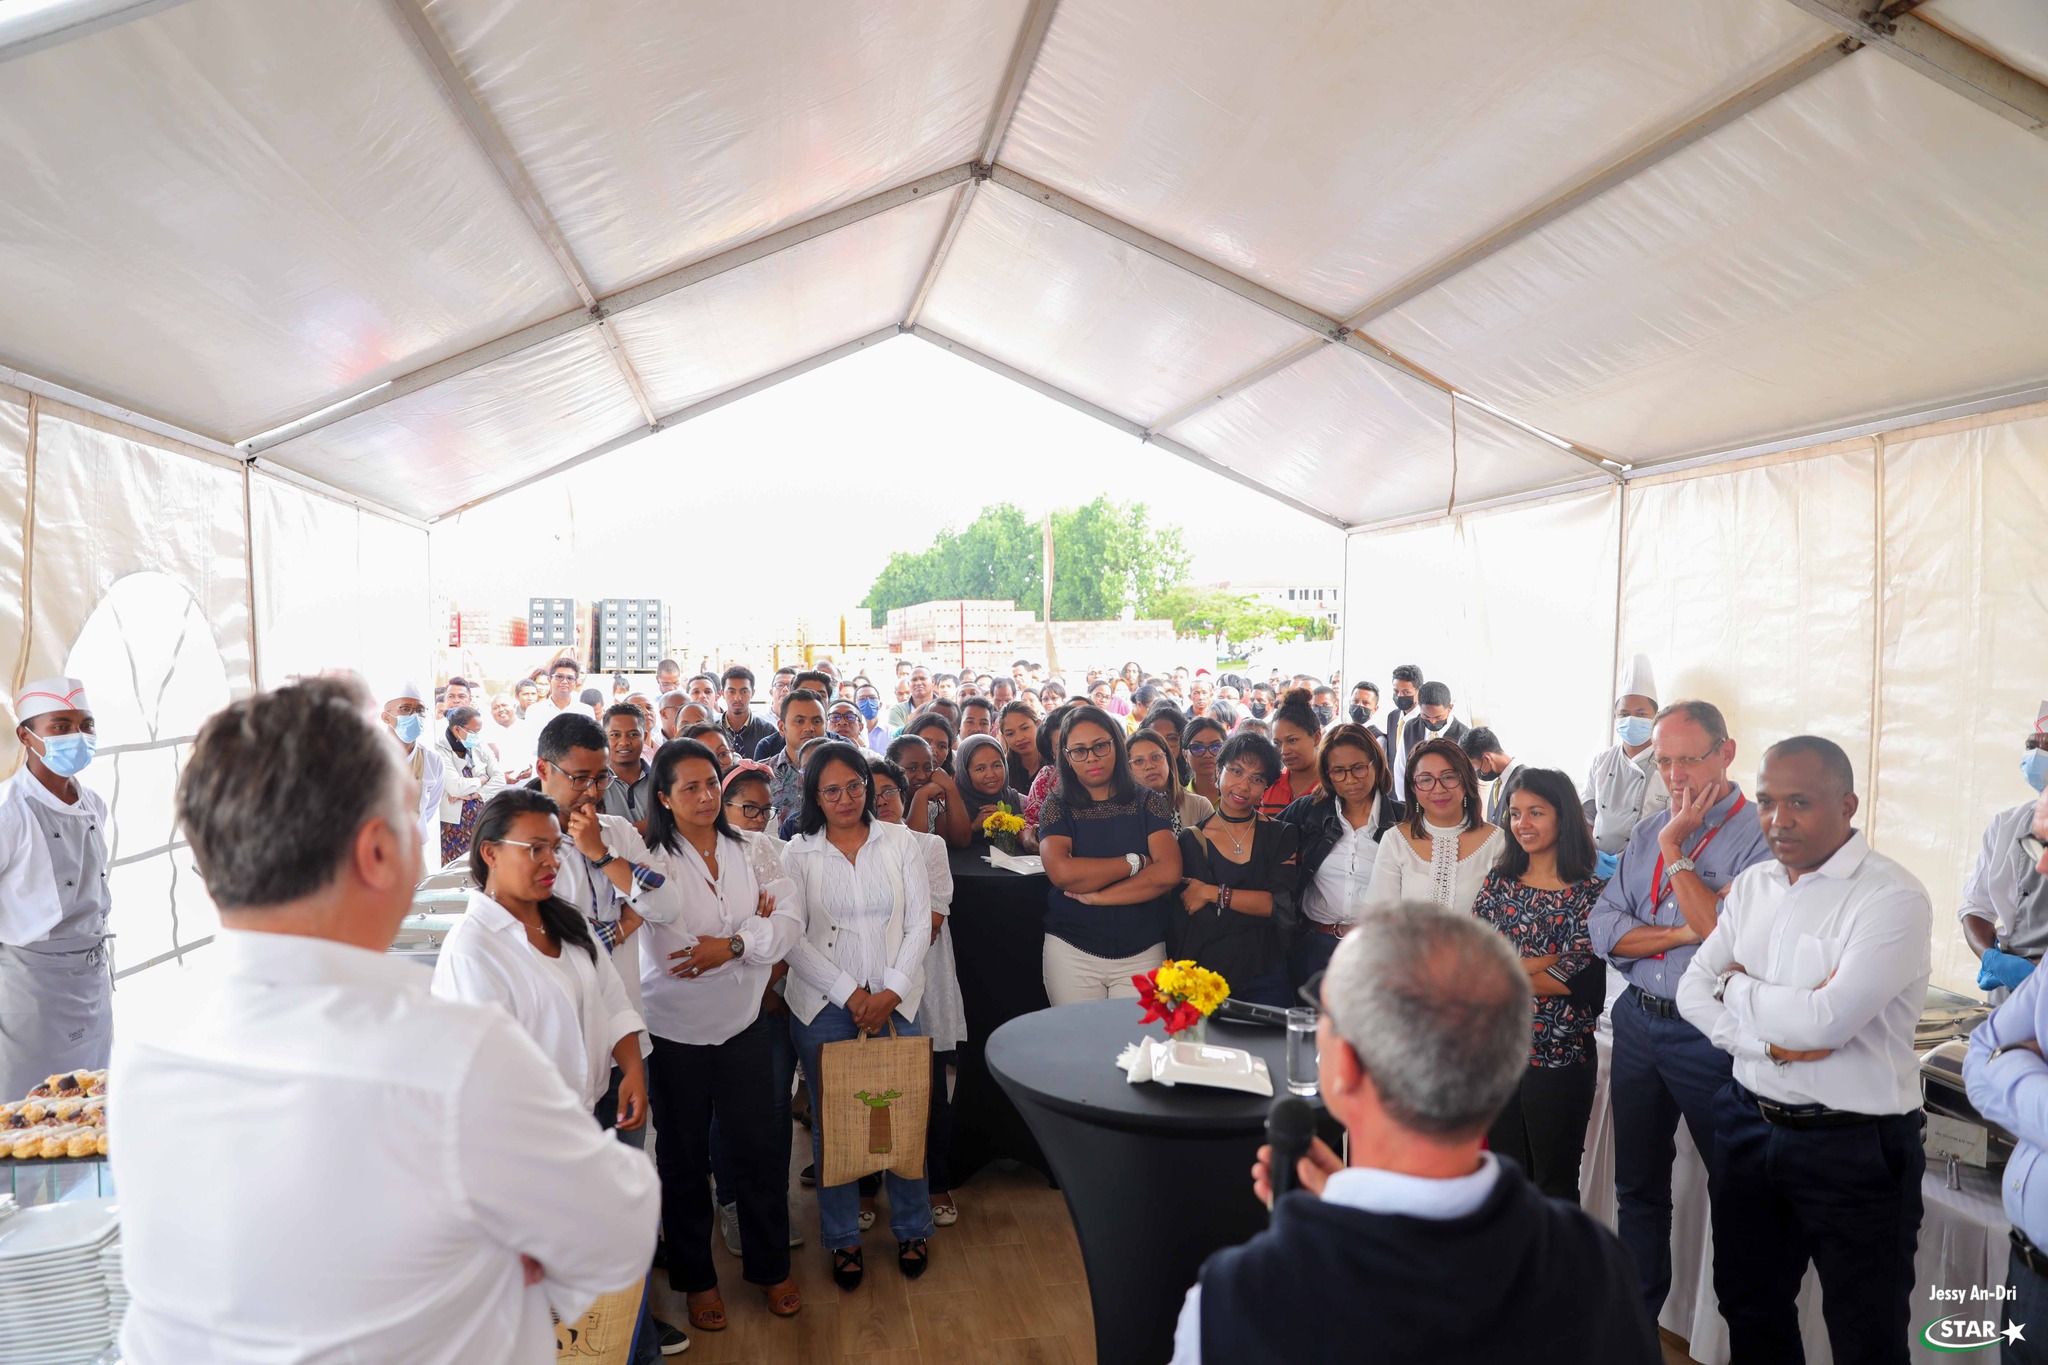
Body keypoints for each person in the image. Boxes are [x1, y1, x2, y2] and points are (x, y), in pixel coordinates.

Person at [116, 678, 657, 1364]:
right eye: (411, 820)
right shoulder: (454, 1058)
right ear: (378, 852)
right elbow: (619, 1228)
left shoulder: (147, 1037)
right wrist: (505, 1262)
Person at [1170, 902, 1657, 1365]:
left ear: (1345, 1065)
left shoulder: (1238, 1300)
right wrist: (1343, 1213)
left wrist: (1314, 1245)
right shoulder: (1596, 1266)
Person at [1677, 736, 1931, 1365]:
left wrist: (1735, 984)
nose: (1777, 819)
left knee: (1864, 1330)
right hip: (1747, 1122)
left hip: (1853, 1145)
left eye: (1799, 802)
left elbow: (1824, 1022)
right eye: (1765, 801)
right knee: (1748, 1305)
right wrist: (1769, 1045)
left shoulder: (1891, 897)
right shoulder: (1757, 884)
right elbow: (1690, 991)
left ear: (1847, 805)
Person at [597, 740, 806, 1328]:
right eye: (689, 787)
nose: (706, 796)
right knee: (685, 1159)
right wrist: (747, 930)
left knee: (759, 1151)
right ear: (664, 797)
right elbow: (672, 940)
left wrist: (734, 945)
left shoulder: (758, 849)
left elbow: (787, 924)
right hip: (673, 1033)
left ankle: (770, 1268)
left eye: (712, 784)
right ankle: (697, 1280)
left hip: (743, 1024)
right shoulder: (651, 859)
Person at [1586, 699, 1770, 1325]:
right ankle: (1636, 1329)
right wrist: (1682, 932)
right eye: (1663, 761)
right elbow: (1603, 926)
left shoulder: (1760, 837)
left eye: (1688, 760)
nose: (1674, 776)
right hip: (1638, 1021)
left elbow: (1729, 936)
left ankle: (1740, 1333)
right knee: (1638, 1186)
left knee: (1737, 1191)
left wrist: (1676, 851)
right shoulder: (1646, 829)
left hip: (1710, 1035)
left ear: (1727, 752)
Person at [780, 742, 938, 1289]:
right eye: (831, 789)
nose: (846, 797)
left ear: (869, 788)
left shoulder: (899, 841)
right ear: (814, 796)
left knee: (905, 1113)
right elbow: (792, 937)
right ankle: (843, 1238)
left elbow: (921, 923)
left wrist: (888, 993)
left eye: (855, 786)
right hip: (824, 1005)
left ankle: (914, 1226)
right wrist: (852, 995)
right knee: (835, 1127)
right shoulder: (797, 853)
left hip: (898, 1000)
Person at [1470, 768, 1606, 1203]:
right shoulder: (1499, 882)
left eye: (1535, 813)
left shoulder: (1593, 894)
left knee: (1554, 1183)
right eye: (1514, 813)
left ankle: (1557, 1271)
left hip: (1560, 1055)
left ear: (1563, 817)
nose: (1522, 823)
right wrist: (1543, 962)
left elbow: (1575, 979)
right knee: (1506, 1178)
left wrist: (1509, 966)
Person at [1961, 781, 2048, 1361]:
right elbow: (1980, 1052)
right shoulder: (2005, 821)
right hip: (2030, 1265)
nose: (2040, 864)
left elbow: (1993, 1062)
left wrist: (2013, 1066)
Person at [0, 677, 113, 1101]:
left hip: (91, 985)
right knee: (26, 1117)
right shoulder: (8, 813)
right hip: (31, 999)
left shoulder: (94, 804)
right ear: (26, 736)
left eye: (86, 725)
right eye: (61, 726)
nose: (78, 737)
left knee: (90, 1104)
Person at [869, 756, 967, 1228]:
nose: (880, 800)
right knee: (866, 1085)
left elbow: (929, 923)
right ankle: (865, 1185)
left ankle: (936, 1181)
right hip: (862, 986)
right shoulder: (843, 849)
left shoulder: (928, 846)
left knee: (927, 1088)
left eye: (889, 791)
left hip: (921, 981)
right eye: (871, 792)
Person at [1036, 706, 1184, 1005]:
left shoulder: (1148, 801)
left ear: (1116, 744)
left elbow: (1168, 873)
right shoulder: (1057, 805)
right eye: (1079, 750)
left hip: (1143, 950)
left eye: (1100, 746)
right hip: (1072, 950)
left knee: (1139, 1049)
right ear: (1066, 756)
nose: (1091, 757)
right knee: (1079, 1048)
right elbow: (1063, 873)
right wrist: (1135, 862)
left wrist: (1100, 896)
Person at [1165, 732, 1298, 1007]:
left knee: (1270, 1049)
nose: (1243, 785)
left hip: (1267, 973)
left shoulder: (1281, 834)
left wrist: (1213, 893)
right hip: (1205, 975)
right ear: (1218, 770)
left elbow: (1280, 906)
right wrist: (1253, 903)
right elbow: (1195, 915)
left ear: (1266, 787)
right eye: (1236, 771)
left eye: (1256, 778)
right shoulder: (1191, 840)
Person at [1279, 721, 1398, 988]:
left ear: (1375, 763)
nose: (1350, 780)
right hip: (1314, 945)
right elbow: (1265, 843)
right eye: (1338, 772)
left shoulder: (1403, 820)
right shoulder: (1309, 811)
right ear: (1327, 774)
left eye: (1358, 768)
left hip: (1377, 949)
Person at [1962, 702, 2048, 996]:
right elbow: (1976, 908)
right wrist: (1992, 958)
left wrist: (2040, 975)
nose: (2037, 756)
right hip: (2009, 990)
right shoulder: (2005, 825)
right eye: (2031, 745)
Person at [1363, 738, 1503, 917]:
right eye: (1426, 779)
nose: (1438, 789)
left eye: (1448, 777)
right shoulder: (1395, 840)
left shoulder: (1496, 841)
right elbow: (1382, 918)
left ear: (1466, 780)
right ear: (1413, 788)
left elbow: (1502, 919)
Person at [1582, 654, 1669, 864]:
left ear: (1655, 717)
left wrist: (1623, 859)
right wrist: (1592, 855)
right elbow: (1587, 814)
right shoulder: (1601, 760)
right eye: (1624, 714)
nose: (1631, 720)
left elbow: (1669, 826)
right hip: (1597, 861)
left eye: (1640, 713)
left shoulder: (1668, 764)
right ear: (1615, 717)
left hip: (1646, 863)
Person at [380, 680, 447, 863]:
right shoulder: (365, 758)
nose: (414, 715)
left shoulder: (433, 761)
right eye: (405, 709)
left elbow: (429, 809)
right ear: (386, 717)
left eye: (420, 710)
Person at [436, 705, 507, 864]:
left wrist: (473, 795)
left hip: (481, 819)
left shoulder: (479, 745)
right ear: (456, 729)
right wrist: (481, 780)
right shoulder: (440, 750)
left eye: (478, 732)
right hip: (453, 826)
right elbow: (456, 787)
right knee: (454, 870)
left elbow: (499, 779)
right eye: (472, 732)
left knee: (480, 868)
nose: (476, 736)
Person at [950, 732, 1029, 850]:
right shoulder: (951, 806)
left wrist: (1007, 821)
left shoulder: (1019, 801)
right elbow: (946, 844)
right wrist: (974, 826)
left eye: (997, 766)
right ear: (965, 773)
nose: (991, 774)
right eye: (980, 769)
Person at [1129, 730, 1214, 832]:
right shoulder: (1122, 811)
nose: (1149, 766)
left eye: (1155, 757)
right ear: (1129, 768)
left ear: (1168, 759)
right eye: (1139, 761)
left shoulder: (1200, 806)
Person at [765, 689, 826, 828]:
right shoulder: (762, 774)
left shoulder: (841, 774)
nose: (809, 728)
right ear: (781, 727)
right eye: (799, 721)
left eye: (817, 721)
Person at [1261, 687, 1323, 817]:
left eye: (1292, 740)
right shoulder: (1267, 785)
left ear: (1316, 737)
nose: (1284, 751)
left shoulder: (1333, 786)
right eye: (1277, 743)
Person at [901, 713, 960, 836]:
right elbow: (915, 845)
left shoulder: (938, 784)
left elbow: (960, 840)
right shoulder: (890, 787)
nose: (933, 751)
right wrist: (922, 795)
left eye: (942, 746)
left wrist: (950, 788)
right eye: (926, 742)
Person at [600, 703, 656, 826]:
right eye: (615, 735)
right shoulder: (595, 783)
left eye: (633, 734)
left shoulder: (660, 779)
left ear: (645, 737)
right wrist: (650, 826)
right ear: (604, 737)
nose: (624, 742)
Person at [1462, 727, 1524, 828]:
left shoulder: (1525, 781)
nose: (1475, 774)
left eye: (1474, 768)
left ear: (1487, 759)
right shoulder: (1496, 786)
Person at [1381, 663, 1425, 803]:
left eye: (1406, 692)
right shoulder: (1392, 717)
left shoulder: (1424, 721)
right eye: (1396, 692)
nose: (1400, 696)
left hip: (1416, 792)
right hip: (1393, 793)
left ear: (1419, 692)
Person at [718, 667, 776, 760]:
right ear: (722, 693)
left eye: (744, 691)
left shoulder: (767, 731)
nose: (738, 698)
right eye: (731, 692)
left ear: (752, 693)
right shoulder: (712, 729)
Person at [998, 700, 1044, 794]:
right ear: (1004, 737)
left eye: (1024, 728)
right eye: (1010, 734)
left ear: (1038, 724)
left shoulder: (1056, 764)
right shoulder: (1003, 771)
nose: (1019, 738)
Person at [1185, 715, 1228, 808]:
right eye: (1197, 748)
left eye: (1216, 747)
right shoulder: (1178, 800)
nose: (1207, 755)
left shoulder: (1236, 797)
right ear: (1185, 755)